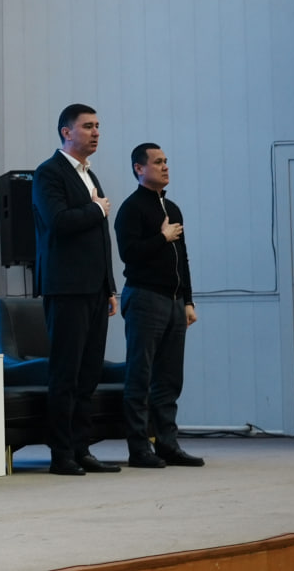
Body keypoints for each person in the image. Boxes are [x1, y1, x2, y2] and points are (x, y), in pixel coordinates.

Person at [32, 103, 121, 476]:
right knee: (66, 372)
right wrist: (97, 210)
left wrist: (110, 286)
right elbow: (58, 221)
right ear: (66, 132)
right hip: (66, 286)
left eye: (98, 126)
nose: (96, 132)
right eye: (87, 126)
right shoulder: (49, 173)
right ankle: (61, 453)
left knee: (89, 373)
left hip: (94, 288)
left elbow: (101, 239)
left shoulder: (89, 175)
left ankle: (82, 448)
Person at [113, 143, 204, 468]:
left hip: (174, 301)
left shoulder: (173, 209)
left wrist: (188, 300)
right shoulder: (131, 209)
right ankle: (139, 448)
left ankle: (167, 443)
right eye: (157, 162)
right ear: (139, 169)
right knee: (140, 375)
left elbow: (182, 259)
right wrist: (161, 237)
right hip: (145, 298)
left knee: (169, 378)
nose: (165, 167)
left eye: (166, 161)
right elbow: (129, 254)